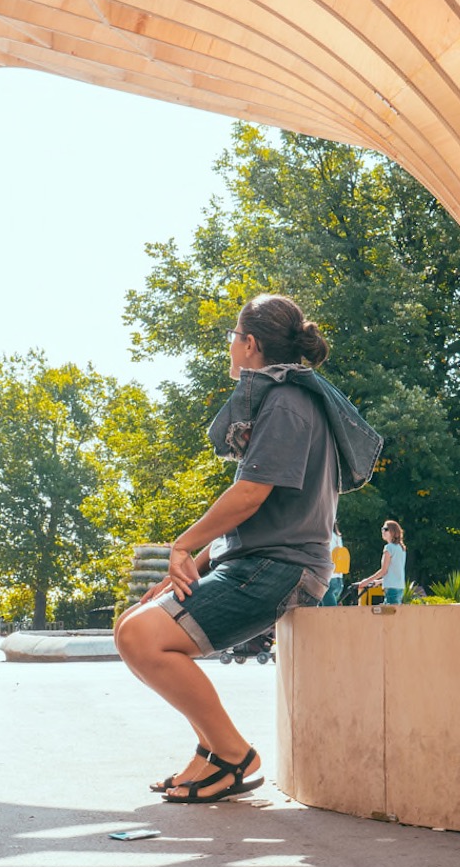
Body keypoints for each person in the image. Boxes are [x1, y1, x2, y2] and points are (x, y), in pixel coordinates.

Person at [114, 293, 381, 803]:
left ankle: (235, 756)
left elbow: (250, 495)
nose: (230, 347)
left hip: (282, 569)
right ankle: (212, 753)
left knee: (144, 639)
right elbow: (261, 513)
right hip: (260, 562)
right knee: (135, 624)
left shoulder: (286, 402)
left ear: (250, 344)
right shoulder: (290, 396)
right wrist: (196, 563)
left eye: (232, 338)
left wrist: (183, 545)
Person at [355, 519, 407, 605]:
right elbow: (394, 572)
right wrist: (379, 582)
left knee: (389, 616)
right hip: (399, 587)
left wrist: (365, 582)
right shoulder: (401, 549)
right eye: (382, 529)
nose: (383, 531)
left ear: (392, 531)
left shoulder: (389, 548)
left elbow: (384, 571)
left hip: (391, 589)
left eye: (385, 529)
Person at [321, 522, 349, 606]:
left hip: (329, 579)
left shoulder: (326, 536)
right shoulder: (338, 537)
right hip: (339, 581)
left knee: (330, 614)